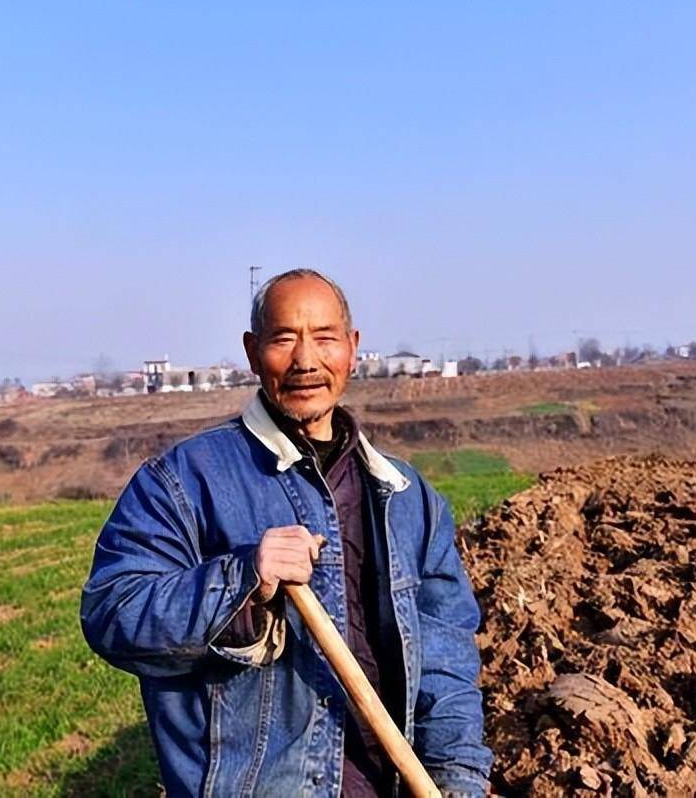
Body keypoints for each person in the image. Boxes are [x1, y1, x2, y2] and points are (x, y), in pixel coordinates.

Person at [80, 268, 492, 797]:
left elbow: (445, 661)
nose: (305, 360)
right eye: (283, 339)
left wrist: (457, 781)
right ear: (253, 353)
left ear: (352, 346)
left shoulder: (408, 498)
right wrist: (241, 579)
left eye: (324, 338)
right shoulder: (185, 481)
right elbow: (113, 612)